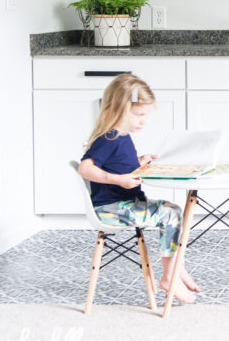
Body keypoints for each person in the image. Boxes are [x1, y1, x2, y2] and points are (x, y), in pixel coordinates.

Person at [77, 73, 201, 304]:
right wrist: (118, 180)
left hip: (122, 205)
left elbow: (118, 163)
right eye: (139, 114)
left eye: (145, 115)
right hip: (111, 209)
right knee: (171, 213)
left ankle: (176, 267)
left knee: (172, 211)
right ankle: (170, 275)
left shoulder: (121, 136)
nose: (143, 121)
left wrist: (139, 162)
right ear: (118, 108)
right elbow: (85, 168)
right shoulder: (110, 137)